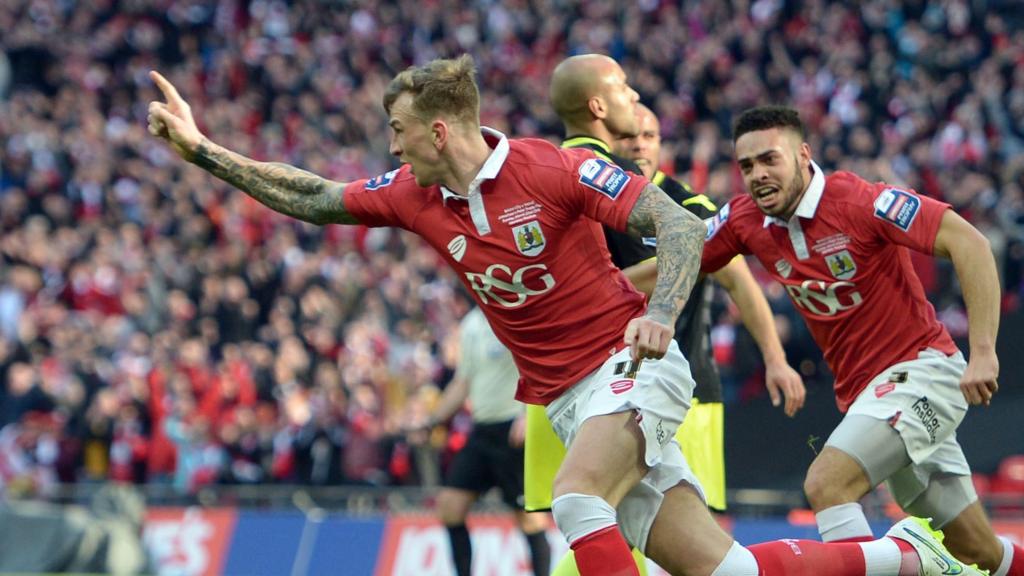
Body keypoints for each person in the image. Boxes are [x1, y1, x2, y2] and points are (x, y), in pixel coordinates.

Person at [148, 54, 982, 575]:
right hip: (567, 396)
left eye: (400, 131)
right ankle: (905, 555)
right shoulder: (412, 195)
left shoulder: (553, 173)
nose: (391, 148)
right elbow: (315, 196)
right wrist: (203, 151)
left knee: (576, 499)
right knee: (726, 571)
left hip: (634, 370)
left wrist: (657, 314)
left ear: (441, 129)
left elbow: (684, 227)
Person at [700, 104, 1022, 576]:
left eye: (770, 159)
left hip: (922, 372)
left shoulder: (860, 201)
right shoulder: (744, 220)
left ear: (804, 155)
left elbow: (969, 242)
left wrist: (985, 351)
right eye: (746, 165)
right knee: (978, 550)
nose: (757, 174)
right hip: (867, 397)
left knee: (827, 484)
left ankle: (910, 559)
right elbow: (682, 260)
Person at [531, 57, 806, 576]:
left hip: (680, 383)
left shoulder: (685, 204)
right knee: (600, 527)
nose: (639, 141)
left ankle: (889, 557)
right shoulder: (582, 185)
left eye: (650, 132)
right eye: (634, 129)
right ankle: (887, 558)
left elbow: (737, 276)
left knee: (605, 517)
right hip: (590, 380)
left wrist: (775, 356)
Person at [410, 306, 550, 576]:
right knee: (450, 505)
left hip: (514, 428)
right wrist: (432, 421)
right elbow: (463, 382)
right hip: (482, 429)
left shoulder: (519, 313)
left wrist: (530, 415)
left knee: (529, 518)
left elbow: (540, 364)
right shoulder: (471, 324)